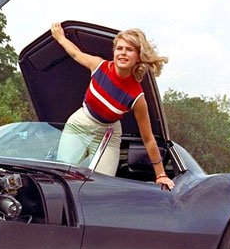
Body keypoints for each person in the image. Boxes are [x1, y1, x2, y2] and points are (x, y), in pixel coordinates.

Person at [50, 22, 175, 190]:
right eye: (119, 48)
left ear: (138, 56)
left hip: (109, 133)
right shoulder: (99, 66)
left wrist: (161, 175)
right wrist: (60, 38)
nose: (123, 53)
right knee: (64, 175)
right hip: (81, 124)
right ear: (114, 51)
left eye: (129, 50)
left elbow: (148, 139)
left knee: (102, 186)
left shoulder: (137, 97)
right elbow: (75, 53)